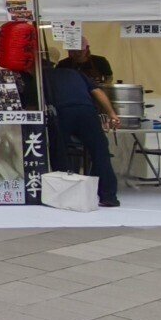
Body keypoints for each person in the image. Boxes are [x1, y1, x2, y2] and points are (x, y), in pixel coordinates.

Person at [44, 55, 123, 208]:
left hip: (62, 113)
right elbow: (97, 91)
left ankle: (65, 193)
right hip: (87, 111)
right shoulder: (75, 74)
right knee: (100, 152)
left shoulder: (42, 78)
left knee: (60, 152)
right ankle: (108, 196)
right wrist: (112, 114)